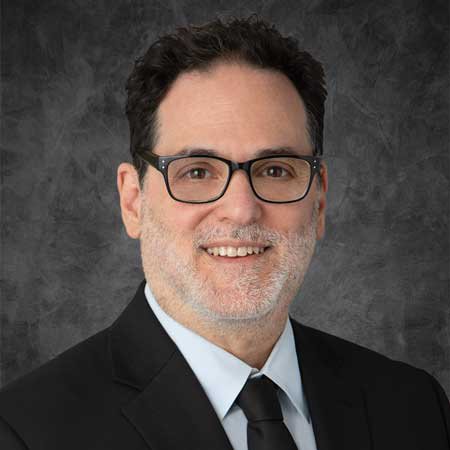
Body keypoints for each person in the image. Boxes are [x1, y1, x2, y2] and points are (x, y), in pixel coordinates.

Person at [0, 15, 448, 450]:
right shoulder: (26, 432)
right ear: (133, 201)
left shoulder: (415, 407)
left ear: (319, 200)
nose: (241, 210)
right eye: (197, 171)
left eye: (275, 169)